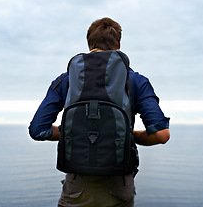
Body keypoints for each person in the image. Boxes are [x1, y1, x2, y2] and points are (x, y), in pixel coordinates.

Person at [29, 17, 170, 207]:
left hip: (77, 186)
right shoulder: (136, 81)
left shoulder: (67, 79)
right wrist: (127, 135)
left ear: (89, 44)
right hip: (119, 185)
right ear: (118, 45)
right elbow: (161, 135)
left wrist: (74, 132)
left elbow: (38, 130)